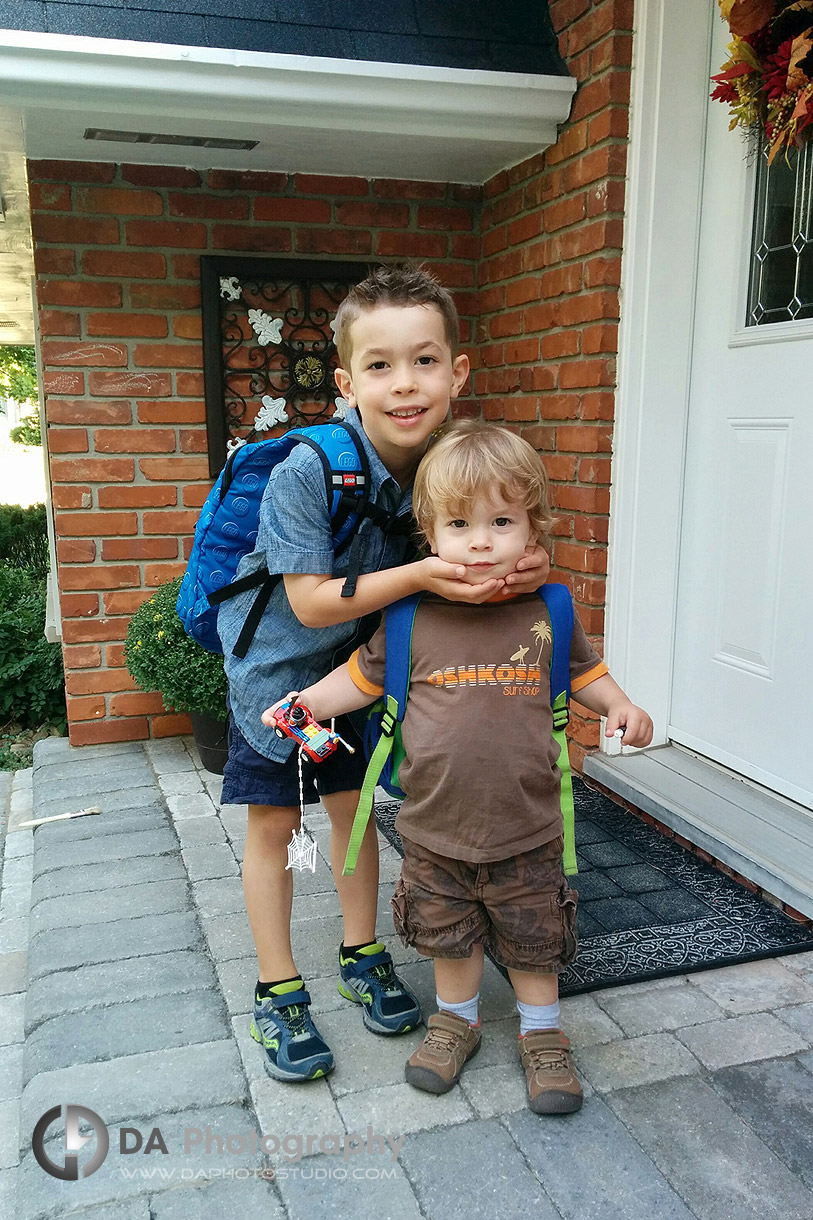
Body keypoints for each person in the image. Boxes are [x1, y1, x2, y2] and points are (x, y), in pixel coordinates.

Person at [217, 267, 551, 1083]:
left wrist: (522, 563)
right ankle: (277, 987)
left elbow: (496, 529)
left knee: (354, 811)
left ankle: (360, 953)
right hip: (281, 678)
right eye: (379, 366)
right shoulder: (308, 468)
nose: (404, 384)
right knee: (274, 826)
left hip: (371, 671)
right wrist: (424, 577)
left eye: (424, 361)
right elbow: (310, 603)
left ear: (457, 371)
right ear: (345, 382)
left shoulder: (450, 461)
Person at [264, 421, 653, 1113]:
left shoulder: (549, 608)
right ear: (428, 532)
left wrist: (619, 704)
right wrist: (304, 705)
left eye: (501, 521)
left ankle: (542, 1035)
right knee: (448, 933)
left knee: (533, 938)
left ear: (532, 528)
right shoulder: (410, 616)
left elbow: (584, 671)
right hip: (433, 828)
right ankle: (455, 1022)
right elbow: (361, 678)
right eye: (459, 524)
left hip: (528, 827)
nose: (480, 540)